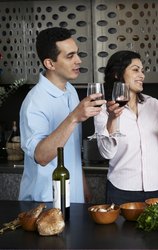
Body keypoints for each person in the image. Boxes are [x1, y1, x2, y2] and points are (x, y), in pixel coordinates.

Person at [19, 27, 106, 203]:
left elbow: (71, 150)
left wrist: (82, 188)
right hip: (44, 200)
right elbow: (41, 156)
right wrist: (74, 117)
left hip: (73, 197)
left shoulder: (70, 91)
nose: (78, 61)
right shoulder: (34, 102)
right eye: (70, 56)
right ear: (50, 64)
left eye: (77, 54)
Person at [95, 50, 158, 205]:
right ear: (117, 74)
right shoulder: (103, 110)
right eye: (135, 70)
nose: (142, 75)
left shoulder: (154, 104)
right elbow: (107, 153)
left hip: (157, 189)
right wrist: (113, 119)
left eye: (142, 71)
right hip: (121, 191)